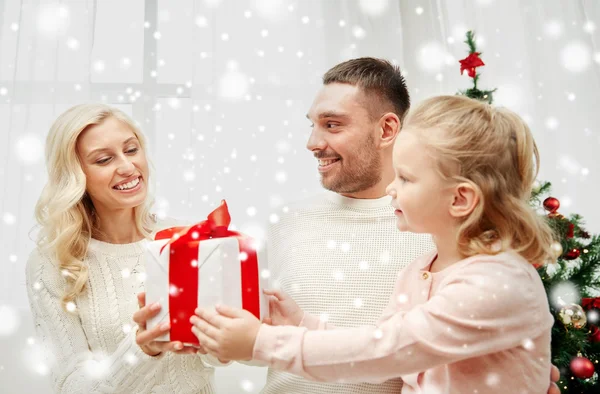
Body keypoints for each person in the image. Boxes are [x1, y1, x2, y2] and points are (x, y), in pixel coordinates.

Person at [192, 58, 560, 394]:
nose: (391, 189)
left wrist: (261, 341)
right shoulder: (422, 270)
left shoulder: (496, 282)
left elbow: (387, 350)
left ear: (460, 199)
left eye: (406, 179)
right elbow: (379, 342)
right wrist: (301, 325)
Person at [26, 104, 223, 393]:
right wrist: (142, 349)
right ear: (75, 176)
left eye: (131, 150)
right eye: (104, 159)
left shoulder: (188, 237)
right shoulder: (54, 263)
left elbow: (220, 357)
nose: (128, 167)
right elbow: (70, 385)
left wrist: (225, 336)